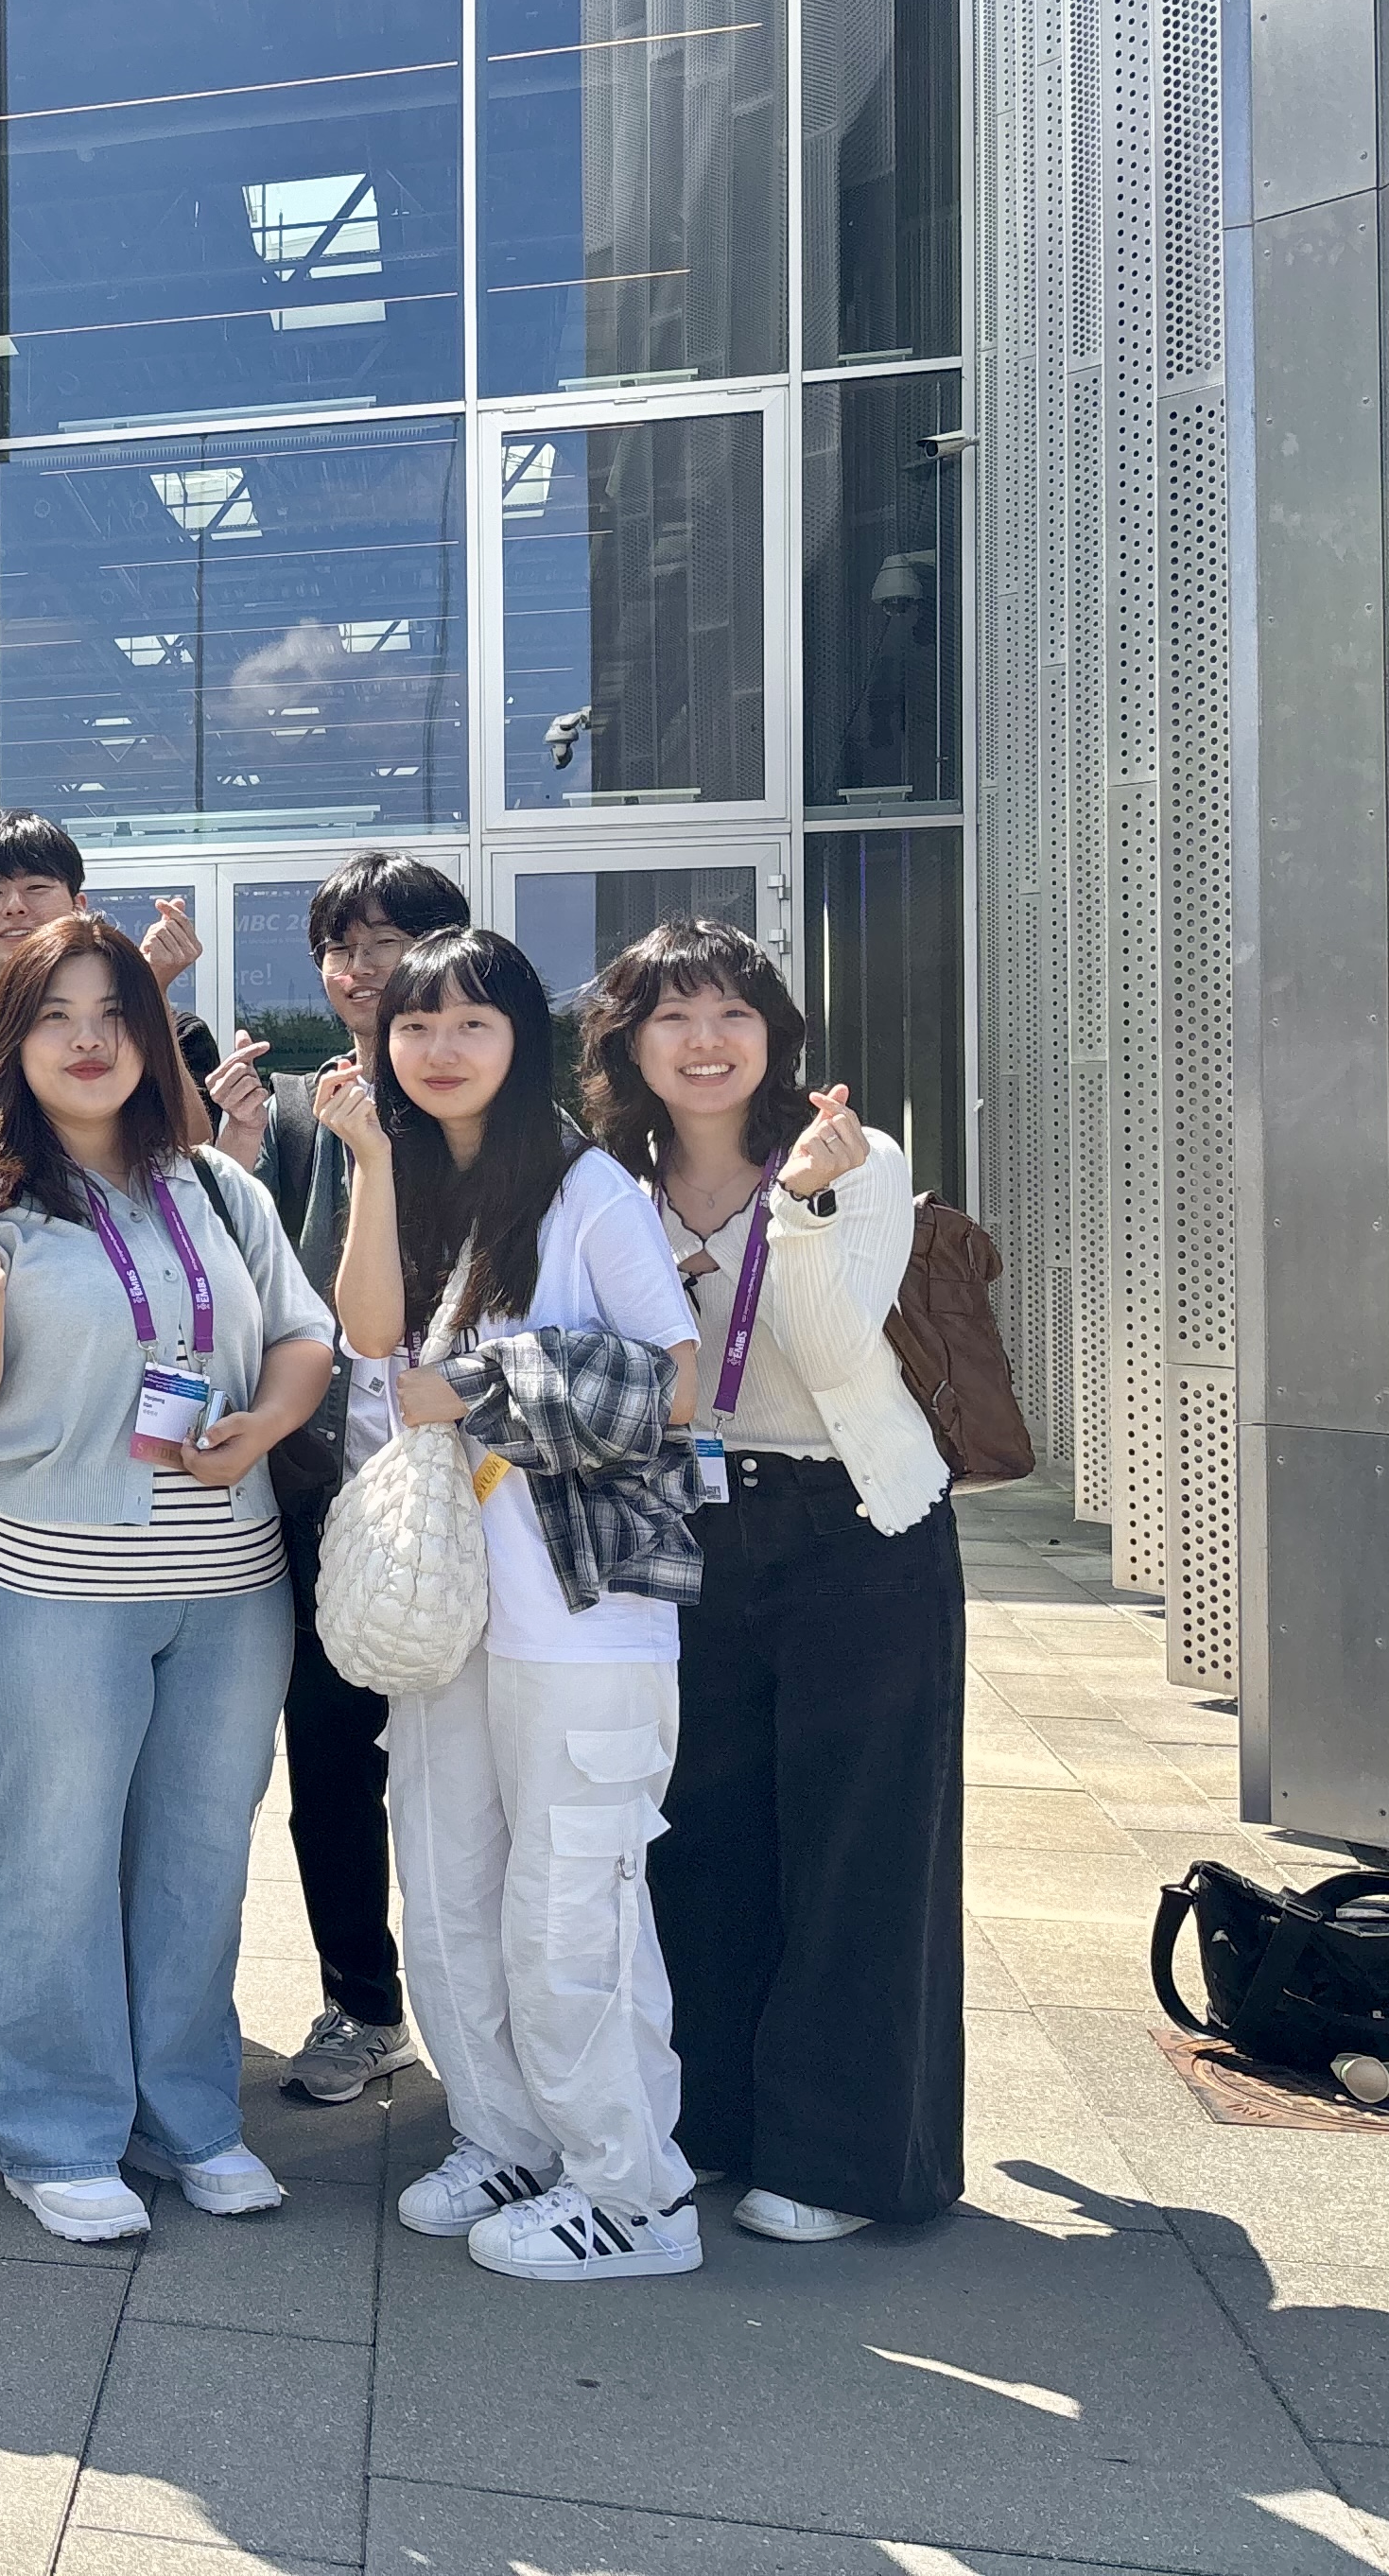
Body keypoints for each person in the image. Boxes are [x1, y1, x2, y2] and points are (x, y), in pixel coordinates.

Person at [0, 914, 337, 2244]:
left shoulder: (217, 1187)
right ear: (10, 1039)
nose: (88, 1040)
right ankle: (58, 2131)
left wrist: (265, 1421)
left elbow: (301, 1334)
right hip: (49, 1585)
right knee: (53, 1857)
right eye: (55, 1014)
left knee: (198, 1855)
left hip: (229, 1584)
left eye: (113, 1012)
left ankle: (188, 2115)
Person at [313, 929, 707, 2281]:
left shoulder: (588, 1189)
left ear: (522, 1042)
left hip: (582, 1609)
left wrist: (483, 1391)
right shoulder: (413, 1177)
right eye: (415, 1026)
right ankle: (508, 2138)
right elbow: (373, 1339)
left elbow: (676, 1379)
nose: (440, 1050)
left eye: (472, 1024)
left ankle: (633, 2193)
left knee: (569, 1903)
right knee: (451, 1889)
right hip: (447, 1604)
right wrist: (372, 1166)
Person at [581, 920, 965, 2242]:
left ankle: (843, 2160)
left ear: (774, 1034)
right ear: (630, 1043)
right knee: (701, 1832)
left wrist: (799, 1211)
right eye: (673, 1016)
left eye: (733, 1013)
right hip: (687, 1524)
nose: (706, 1041)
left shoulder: (857, 1161)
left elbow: (833, 1348)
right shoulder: (607, 1184)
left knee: (860, 1843)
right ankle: (713, 2119)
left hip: (854, 1522)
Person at [245, 852, 471, 2108]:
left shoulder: (499, 1116)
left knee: (471, 1771)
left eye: (388, 942)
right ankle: (364, 2004)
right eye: (341, 947)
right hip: (327, 1499)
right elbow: (263, 1290)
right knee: (331, 1765)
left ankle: (487, 2018)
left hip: (472, 1495)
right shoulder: (297, 1115)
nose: (360, 969)